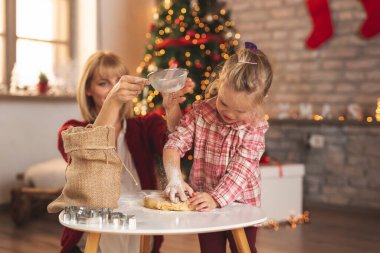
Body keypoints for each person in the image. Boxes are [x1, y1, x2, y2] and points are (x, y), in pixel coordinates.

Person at [57, 51, 194, 253]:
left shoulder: (145, 125)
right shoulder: (71, 130)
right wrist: (112, 101)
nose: (113, 88)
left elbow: (175, 141)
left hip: (139, 228)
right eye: (103, 83)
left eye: (118, 81)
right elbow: (89, 151)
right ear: (88, 89)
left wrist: (172, 106)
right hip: (94, 231)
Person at [162, 42, 273, 253]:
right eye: (223, 103)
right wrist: (174, 177)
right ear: (219, 83)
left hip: (242, 203)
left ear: (258, 103)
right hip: (204, 201)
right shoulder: (201, 113)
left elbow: (240, 172)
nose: (229, 114)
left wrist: (216, 198)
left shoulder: (254, 129)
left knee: (244, 249)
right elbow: (175, 143)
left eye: (240, 111)